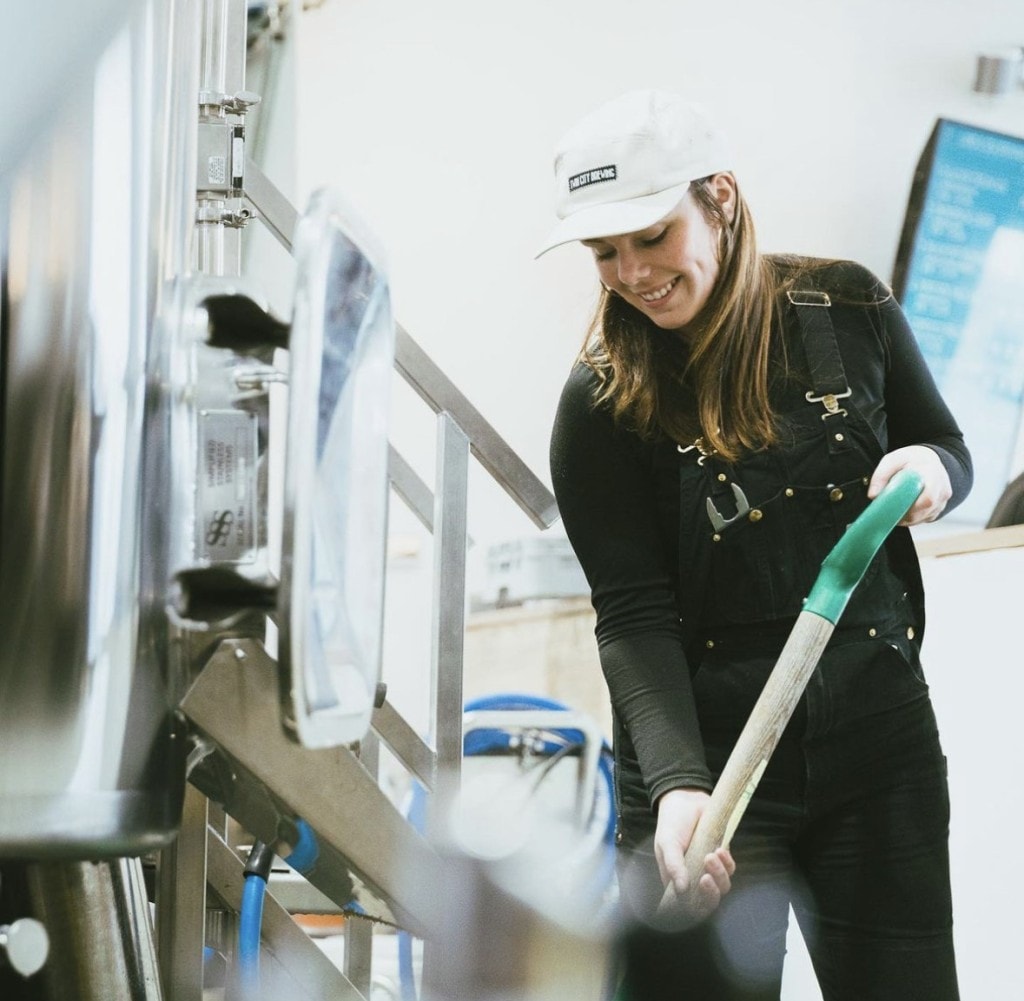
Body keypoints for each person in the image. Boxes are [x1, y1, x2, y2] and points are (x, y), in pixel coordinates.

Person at [540, 90, 972, 1001]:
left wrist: (931, 471)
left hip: (878, 746)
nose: (629, 272)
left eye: (651, 236)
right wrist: (678, 788)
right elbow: (632, 613)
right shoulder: (601, 402)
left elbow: (951, 447)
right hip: (710, 770)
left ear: (721, 198)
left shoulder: (845, 306)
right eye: (604, 251)